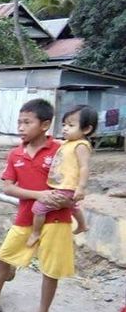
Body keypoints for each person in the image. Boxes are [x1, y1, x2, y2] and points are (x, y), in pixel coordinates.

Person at [0, 99, 76, 312]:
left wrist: (63, 198)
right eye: (19, 122)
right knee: (4, 257)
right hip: (26, 217)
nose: (21, 127)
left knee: (50, 268)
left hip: (57, 219)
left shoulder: (60, 151)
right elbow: (8, 188)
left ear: (45, 125)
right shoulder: (15, 154)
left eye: (27, 122)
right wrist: (40, 195)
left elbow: (72, 183)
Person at [26, 105, 97, 247]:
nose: (65, 128)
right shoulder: (69, 143)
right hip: (63, 185)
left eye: (71, 125)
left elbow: (84, 167)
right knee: (73, 206)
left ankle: (35, 233)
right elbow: (56, 143)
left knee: (39, 207)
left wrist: (81, 188)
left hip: (67, 186)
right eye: (64, 125)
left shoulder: (81, 145)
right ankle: (83, 225)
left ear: (86, 129)